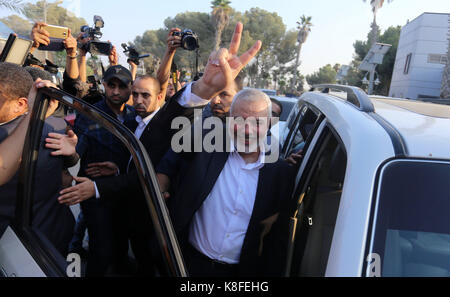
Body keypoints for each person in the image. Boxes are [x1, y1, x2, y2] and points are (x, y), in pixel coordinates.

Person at [0, 63, 76, 254]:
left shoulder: (5, 135)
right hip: (52, 234)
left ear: (21, 104)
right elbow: (66, 176)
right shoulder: (56, 127)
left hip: (19, 243)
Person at [71, 65, 137, 276]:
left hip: (124, 192)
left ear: (130, 89)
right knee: (101, 250)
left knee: (120, 246)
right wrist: (69, 152)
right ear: (104, 85)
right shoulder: (89, 115)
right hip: (95, 195)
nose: (116, 91)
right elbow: (76, 152)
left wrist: (118, 169)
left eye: (121, 86)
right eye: (111, 85)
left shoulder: (134, 116)